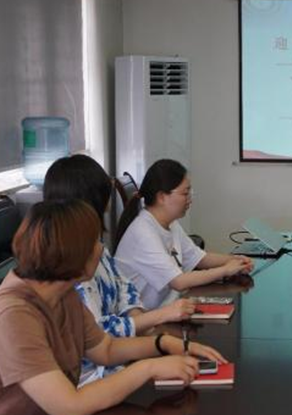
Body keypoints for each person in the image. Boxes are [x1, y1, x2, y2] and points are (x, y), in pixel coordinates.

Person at [0, 200, 226, 415]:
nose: (101, 250)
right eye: (94, 242)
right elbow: (70, 407)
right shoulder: (13, 316)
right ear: (72, 253)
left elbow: (106, 349)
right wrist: (149, 368)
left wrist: (164, 344)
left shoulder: (61, 293)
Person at [43, 155, 198, 385]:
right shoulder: (67, 268)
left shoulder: (95, 247)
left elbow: (124, 288)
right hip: (96, 377)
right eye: (104, 203)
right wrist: (158, 322)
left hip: (121, 355)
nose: (107, 209)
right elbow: (99, 337)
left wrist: (146, 328)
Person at [114, 159, 253, 309]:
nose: (189, 199)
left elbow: (199, 258)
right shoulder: (143, 233)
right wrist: (225, 270)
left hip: (168, 307)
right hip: (146, 318)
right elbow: (179, 282)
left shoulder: (170, 223)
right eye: (185, 193)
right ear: (162, 197)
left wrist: (235, 260)